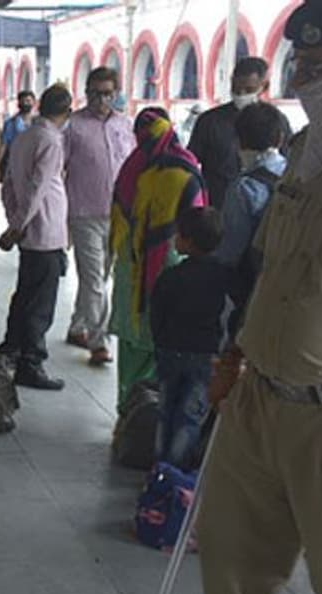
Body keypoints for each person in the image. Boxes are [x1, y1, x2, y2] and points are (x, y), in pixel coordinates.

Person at [199, 0, 322, 594]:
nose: (310, 81)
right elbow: (275, 269)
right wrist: (237, 351)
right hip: (257, 396)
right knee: (228, 572)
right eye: (304, 66)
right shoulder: (303, 148)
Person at [107, 107, 206, 408]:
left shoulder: (131, 169)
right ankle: (151, 415)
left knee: (131, 345)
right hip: (169, 267)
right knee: (160, 341)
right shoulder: (186, 169)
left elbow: (118, 222)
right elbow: (199, 218)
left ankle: (128, 410)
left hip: (130, 270)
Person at [0, 84, 73, 390]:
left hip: (29, 229)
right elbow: (38, 188)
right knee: (40, 301)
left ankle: (11, 350)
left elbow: (10, 184)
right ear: (66, 111)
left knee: (25, 294)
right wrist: (17, 225)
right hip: (45, 230)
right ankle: (31, 362)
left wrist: (14, 220)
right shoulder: (51, 140)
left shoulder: (25, 135)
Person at [63, 66, 135, 366]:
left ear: (116, 93)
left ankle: (78, 327)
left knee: (100, 277)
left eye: (107, 94)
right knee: (93, 279)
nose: (101, 100)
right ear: (86, 93)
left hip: (117, 215)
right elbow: (59, 169)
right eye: (95, 93)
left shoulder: (125, 126)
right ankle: (98, 342)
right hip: (83, 213)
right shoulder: (73, 126)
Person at [148, 207, 227, 467]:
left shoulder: (171, 277)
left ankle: (158, 469)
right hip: (204, 354)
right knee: (190, 416)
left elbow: (156, 315)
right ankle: (176, 470)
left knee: (166, 409)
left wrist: (160, 342)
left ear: (188, 241)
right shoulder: (223, 278)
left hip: (170, 350)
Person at [214, 102, 288, 340]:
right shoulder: (295, 177)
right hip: (289, 280)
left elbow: (230, 252)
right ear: (279, 138)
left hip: (249, 286)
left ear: (238, 142)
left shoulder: (243, 189)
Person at [186, 56, 293, 211]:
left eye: (249, 90)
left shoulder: (276, 121)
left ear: (264, 86)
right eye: (236, 89)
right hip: (218, 208)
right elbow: (191, 163)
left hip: (263, 211)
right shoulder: (210, 121)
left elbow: (287, 164)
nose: (241, 95)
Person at [0, 89, 35, 177]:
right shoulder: (11, 123)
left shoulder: (38, 123)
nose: (25, 104)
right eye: (23, 101)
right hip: (14, 164)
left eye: (28, 101)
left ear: (33, 102)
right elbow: (3, 146)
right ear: (18, 104)